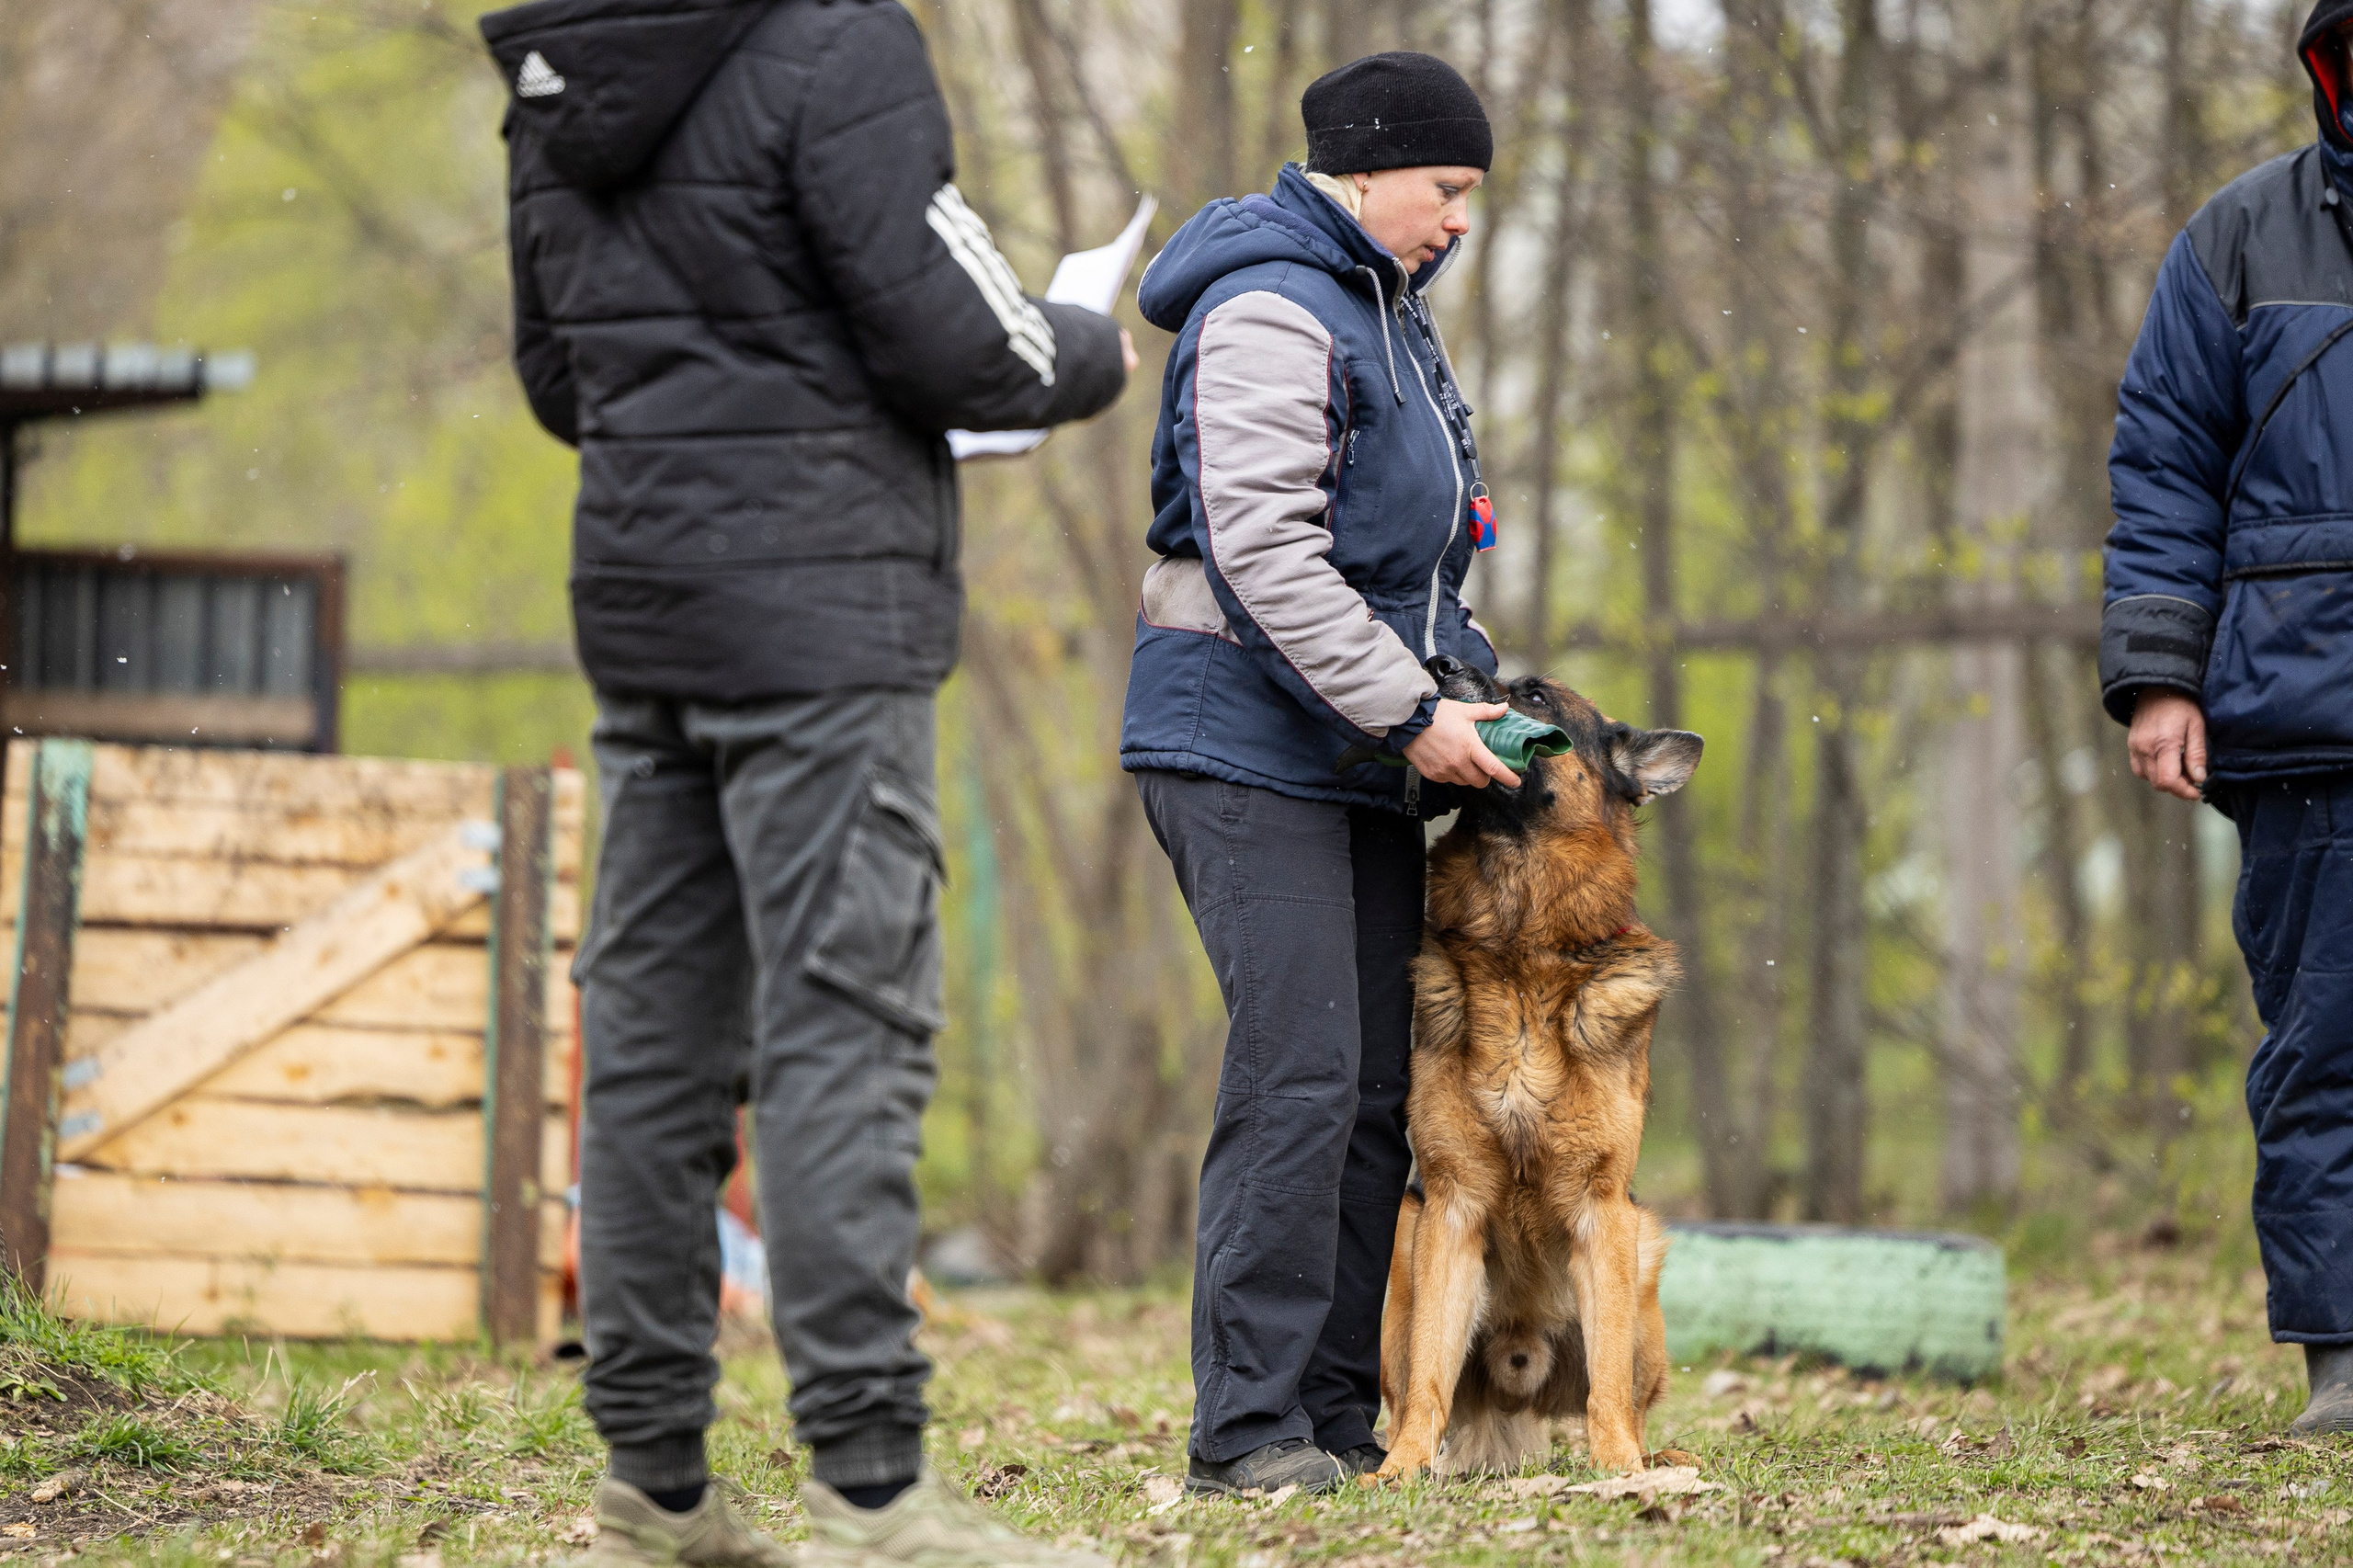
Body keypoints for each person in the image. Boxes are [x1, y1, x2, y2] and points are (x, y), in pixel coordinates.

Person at [479, 0, 1131, 1561]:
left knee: (653, 1049)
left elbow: (561, 377)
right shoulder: (840, 45)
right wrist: (1089, 343)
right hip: (826, 629)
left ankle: (652, 1483)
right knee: (844, 1029)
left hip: (649, 620)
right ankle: (872, 1486)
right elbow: (965, 339)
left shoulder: (565, 64)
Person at [1120, 51, 1512, 1495]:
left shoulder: (1388, 311)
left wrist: (1466, 693)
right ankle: (1242, 1433)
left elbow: (1412, 562)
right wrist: (1413, 712)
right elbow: (1264, 551)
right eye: (1445, 187)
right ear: (1363, 167)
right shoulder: (1271, 303)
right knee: (1297, 1071)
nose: (1460, 217)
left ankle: (1335, 1421)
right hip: (1236, 739)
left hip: (1353, 749)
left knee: (1369, 1089)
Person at [2101, 0, 2353, 1437]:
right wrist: (2161, 676)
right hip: (2307, 714)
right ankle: (2344, 1355)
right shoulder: (2240, 238)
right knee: (2327, 1039)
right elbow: (2163, 468)